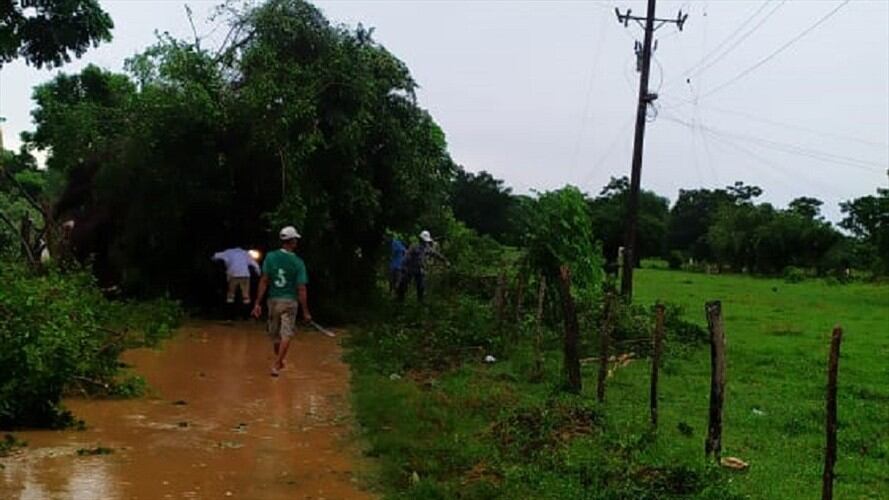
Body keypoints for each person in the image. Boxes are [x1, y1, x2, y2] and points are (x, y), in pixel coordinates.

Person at [251, 226, 312, 376]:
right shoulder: (298, 262)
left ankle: (279, 361)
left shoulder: (270, 257)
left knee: (275, 335)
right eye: (295, 240)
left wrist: (257, 303)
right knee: (286, 334)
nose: (296, 242)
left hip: (273, 301)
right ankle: (278, 363)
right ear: (292, 241)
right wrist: (306, 312)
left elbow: (264, 280)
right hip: (290, 302)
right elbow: (301, 288)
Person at [397, 230, 449, 302]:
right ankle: (399, 301)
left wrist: (444, 260)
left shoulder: (426, 248)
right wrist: (403, 267)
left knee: (421, 287)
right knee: (403, 286)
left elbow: (435, 254)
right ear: (420, 240)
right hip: (410, 269)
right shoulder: (414, 247)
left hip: (419, 270)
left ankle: (420, 303)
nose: (425, 242)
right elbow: (406, 257)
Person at [212, 246, 260, 318]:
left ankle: (229, 315)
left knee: (231, 295)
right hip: (245, 275)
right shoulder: (245, 253)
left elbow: (216, 255)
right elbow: (254, 264)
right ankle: (246, 316)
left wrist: (214, 259)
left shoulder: (228, 252)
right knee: (246, 296)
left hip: (233, 274)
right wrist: (258, 273)